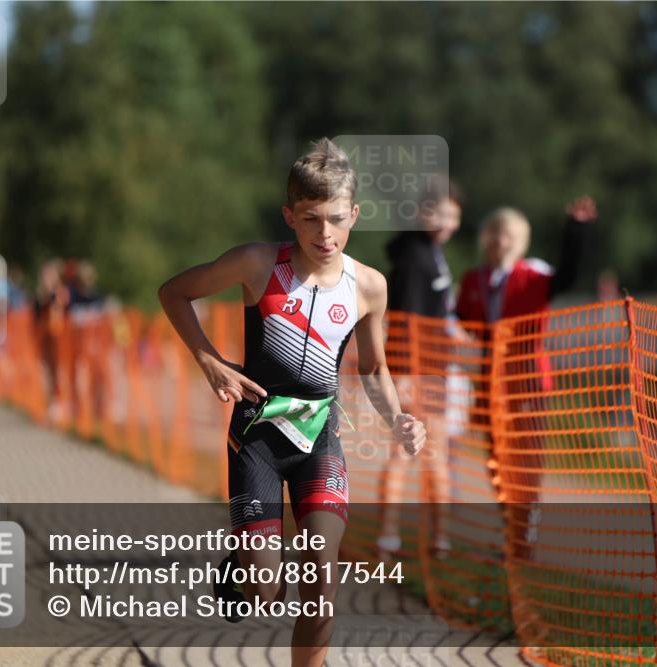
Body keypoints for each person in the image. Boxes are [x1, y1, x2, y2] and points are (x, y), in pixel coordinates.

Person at [158, 138, 426, 667]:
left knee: (321, 582)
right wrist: (208, 359)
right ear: (289, 216)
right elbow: (174, 292)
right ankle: (245, 576)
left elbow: (374, 368)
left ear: (354, 215)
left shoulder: (369, 286)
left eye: (334, 219)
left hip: (320, 439)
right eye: (309, 219)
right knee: (265, 587)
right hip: (256, 438)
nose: (323, 234)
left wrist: (400, 419)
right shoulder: (257, 264)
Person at [455, 199, 596, 554]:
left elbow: (568, 275)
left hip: (529, 380)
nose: (498, 242)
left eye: (506, 236)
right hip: (490, 382)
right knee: (496, 457)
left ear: (517, 240)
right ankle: (511, 524)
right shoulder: (474, 280)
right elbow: (462, 321)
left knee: (526, 458)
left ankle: (526, 532)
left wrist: (575, 231)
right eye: (493, 235)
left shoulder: (533, 276)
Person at [378, 178, 463, 559]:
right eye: (438, 212)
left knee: (434, 456)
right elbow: (407, 319)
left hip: (435, 368)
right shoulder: (414, 256)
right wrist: (406, 376)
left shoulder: (431, 251)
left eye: (452, 215)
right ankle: (390, 535)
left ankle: (438, 539)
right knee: (407, 454)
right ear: (420, 212)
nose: (445, 221)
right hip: (416, 371)